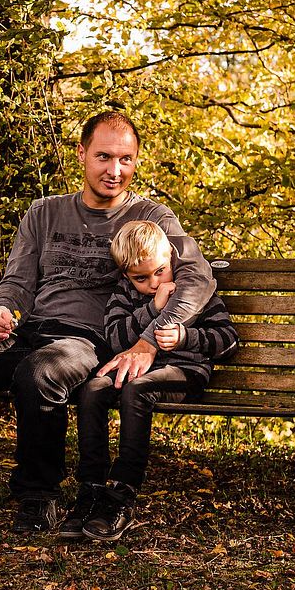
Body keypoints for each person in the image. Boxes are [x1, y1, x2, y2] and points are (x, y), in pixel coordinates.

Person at [0, 110, 218, 545]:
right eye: (104, 157)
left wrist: (149, 340)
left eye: (126, 159)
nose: (115, 171)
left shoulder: (152, 217)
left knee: (40, 369)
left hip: (85, 342)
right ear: (80, 154)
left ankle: (38, 494)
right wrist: (0, 311)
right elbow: (18, 283)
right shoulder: (44, 213)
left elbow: (198, 277)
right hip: (27, 330)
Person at [59, 220, 238, 543]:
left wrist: (185, 337)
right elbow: (114, 338)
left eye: (160, 271)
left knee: (135, 391)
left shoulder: (194, 292)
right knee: (93, 389)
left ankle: (122, 493)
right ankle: (91, 488)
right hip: (136, 368)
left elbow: (227, 341)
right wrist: (152, 310)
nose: (154, 283)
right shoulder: (125, 295)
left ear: (170, 258)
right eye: (140, 278)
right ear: (125, 274)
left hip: (185, 372)